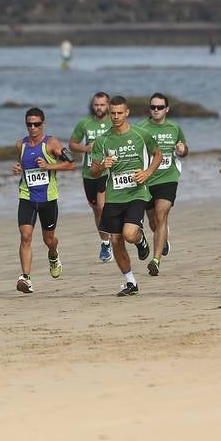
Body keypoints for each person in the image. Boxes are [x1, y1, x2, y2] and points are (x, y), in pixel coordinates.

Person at [88, 96, 161, 297]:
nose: (117, 116)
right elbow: (93, 171)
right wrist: (103, 166)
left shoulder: (141, 134)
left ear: (127, 112)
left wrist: (147, 173)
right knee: (116, 240)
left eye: (120, 113)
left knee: (129, 235)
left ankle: (140, 240)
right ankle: (130, 282)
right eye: (113, 113)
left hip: (137, 192)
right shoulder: (102, 140)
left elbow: (158, 154)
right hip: (114, 196)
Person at [10, 106, 71, 293]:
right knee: (25, 236)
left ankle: (53, 255)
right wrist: (18, 169)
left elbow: (70, 164)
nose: (33, 128)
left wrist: (49, 166)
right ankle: (26, 278)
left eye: (36, 124)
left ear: (43, 124)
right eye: (29, 124)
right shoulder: (20, 145)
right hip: (27, 196)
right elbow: (22, 164)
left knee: (49, 239)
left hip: (48, 198)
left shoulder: (51, 143)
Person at [136, 92, 188, 276]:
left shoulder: (175, 128)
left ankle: (156, 260)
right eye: (153, 107)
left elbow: (184, 149)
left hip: (168, 178)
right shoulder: (140, 128)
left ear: (167, 109)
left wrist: (182, 150)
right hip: (147, 180)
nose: (156, 110)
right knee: (153, 221)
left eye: (160, 107)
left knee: (161, 215)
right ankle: (163, 239)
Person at [69, 92, 114, 263]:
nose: (99, 108)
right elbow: (72, 144)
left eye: (102, 105)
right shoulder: (85, 124)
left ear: (108, 105)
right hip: (89, 173)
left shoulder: (113, 122)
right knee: (96, 210)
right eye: (96, 105)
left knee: (103, 207)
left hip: (107, 172)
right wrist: (87, 149)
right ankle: (105, 242)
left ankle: (115, 236)